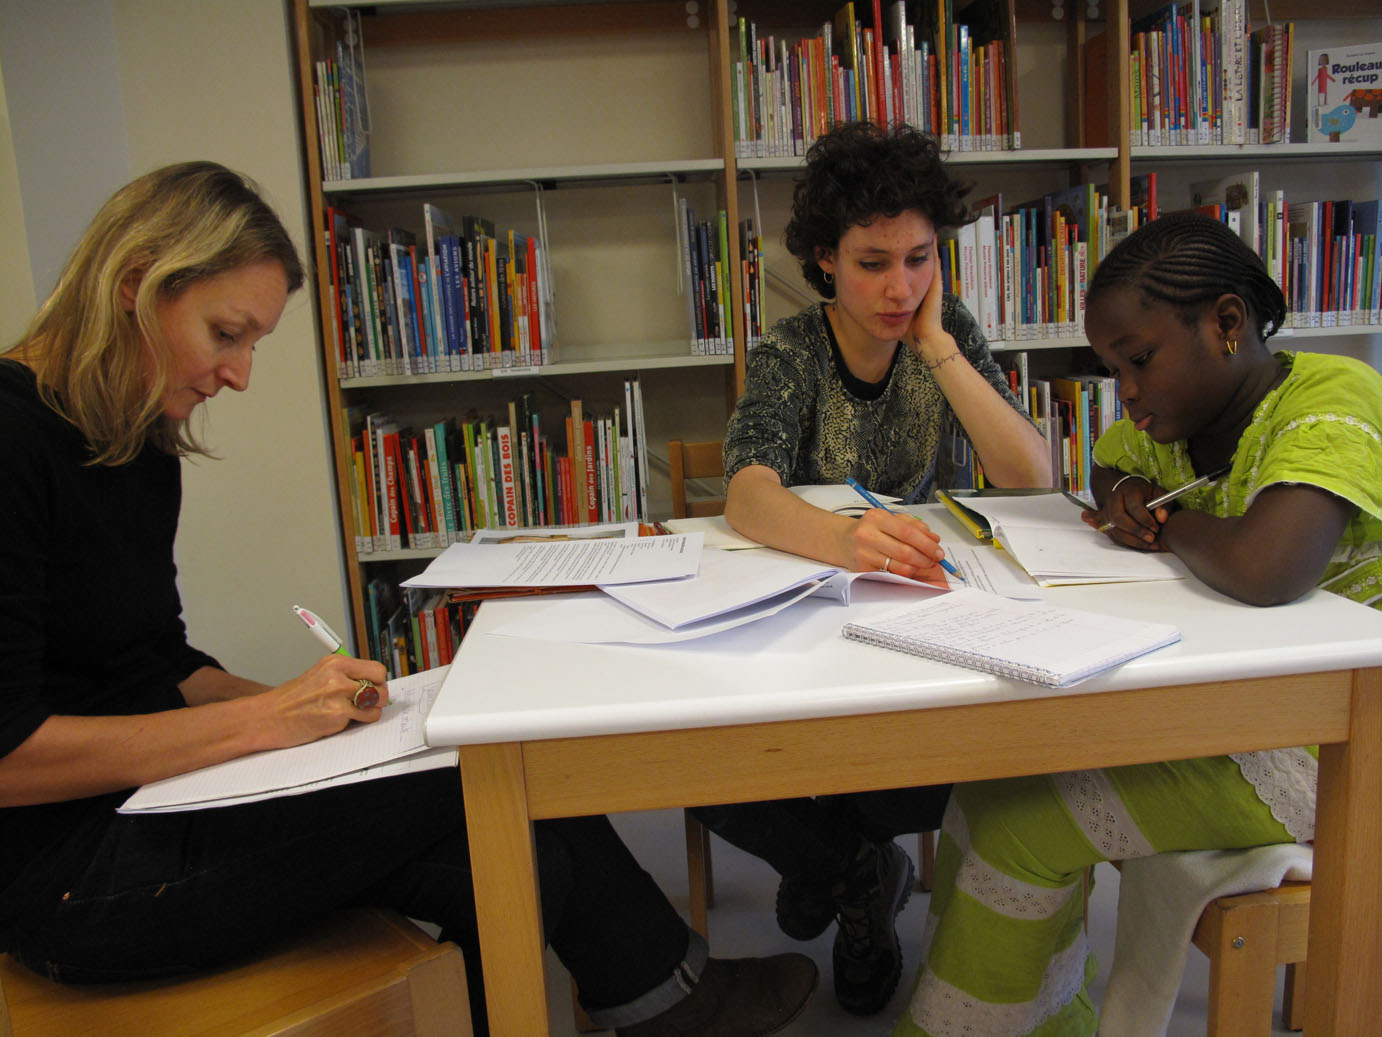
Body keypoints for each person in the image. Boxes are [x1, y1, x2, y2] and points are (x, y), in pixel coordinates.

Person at [0, 161, 819, 1037]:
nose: (238, 375)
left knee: (517, 843)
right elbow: (10, 758)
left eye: (253, 344)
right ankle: (677, 1001)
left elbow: (157, 662)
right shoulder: (13, 438)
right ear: (136, 286)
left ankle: (667, 999)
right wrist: (268, 720)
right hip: (69, 873)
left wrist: (326, 716)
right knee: (484, 788)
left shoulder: (135, 433)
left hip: (157, 796)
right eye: (225, 333)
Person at [893, 210, 1382, 1036]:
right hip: (1234, 707)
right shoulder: (1177, 425)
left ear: (1226, 323)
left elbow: (1266, 568)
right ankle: (1041, 1020)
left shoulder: (1334, 396)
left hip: (1333, 747)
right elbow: (1107, 461)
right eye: (1113, 368)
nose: (1125, 390)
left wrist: (1166, 522)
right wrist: (1124, 491)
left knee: (1021, 823)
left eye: (1139, 360)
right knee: (991, 782)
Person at [695, 122, 1052, 1018]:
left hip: (920, 624)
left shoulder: (946, 330)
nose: (900, 288)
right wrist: (845, 540)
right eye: (871, 263)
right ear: (825, 259)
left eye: (920, 259)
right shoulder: (792, 351)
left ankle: (833, 863)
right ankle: (856, 869)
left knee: (955, 759)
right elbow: (747, 494)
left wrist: (938, 346)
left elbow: (1030, 476)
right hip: (812, 621)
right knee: (705, 770)